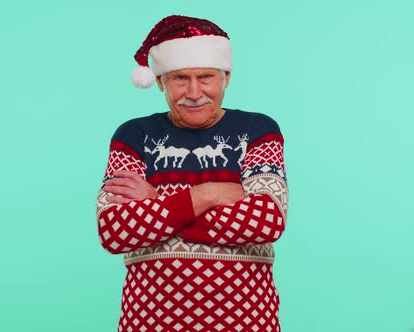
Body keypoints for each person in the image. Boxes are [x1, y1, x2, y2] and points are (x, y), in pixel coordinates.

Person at [96, 15, 289, 331]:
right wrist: (209, 193)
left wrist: (158, 201)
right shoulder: (133, 136)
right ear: (159, 82)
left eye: (206, 77)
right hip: (149, 322)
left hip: (245, 321)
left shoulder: (258, 131)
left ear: (226, 76)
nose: (194, 92)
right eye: (180, 78)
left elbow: (266, 222)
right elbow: (115, 230)